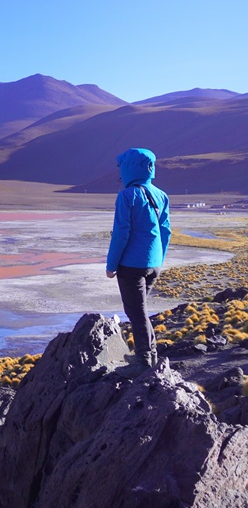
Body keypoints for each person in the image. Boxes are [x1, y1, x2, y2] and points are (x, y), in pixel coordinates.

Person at [106, 148, 171, 368]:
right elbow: (166, 231)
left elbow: (121, 232)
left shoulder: (127, 196)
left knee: (136, 312)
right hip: (153, 264)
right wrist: (158, 259)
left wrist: (111, 265)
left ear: (128, 168)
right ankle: (149, 357)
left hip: (131, 265)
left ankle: (143, 361)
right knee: (140, 310)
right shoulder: (161, 195)